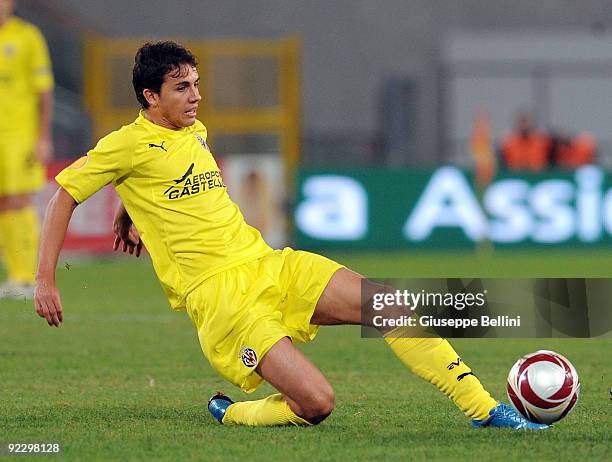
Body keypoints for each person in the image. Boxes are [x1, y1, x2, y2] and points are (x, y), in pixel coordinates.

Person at [34, 41, 547, 430]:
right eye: (181, 88)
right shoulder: (124, 144)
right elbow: (64, 196)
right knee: (317, 404)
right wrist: (45, 280)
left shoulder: (193, 129)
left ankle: (487, 411)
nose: (196, 96)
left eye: (195, 83)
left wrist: (129, 209)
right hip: (222, 300)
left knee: (388, 304)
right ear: (151, 96)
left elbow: (163, 177)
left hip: (269, 264)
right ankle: (233, 414)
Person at [0, 0, 54, 299]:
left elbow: (44, 91)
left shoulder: (27, 36)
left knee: (19, 200)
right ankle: (15, 275)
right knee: (3, 203)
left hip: (20, 135)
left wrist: (42, 137)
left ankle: (27, 277)